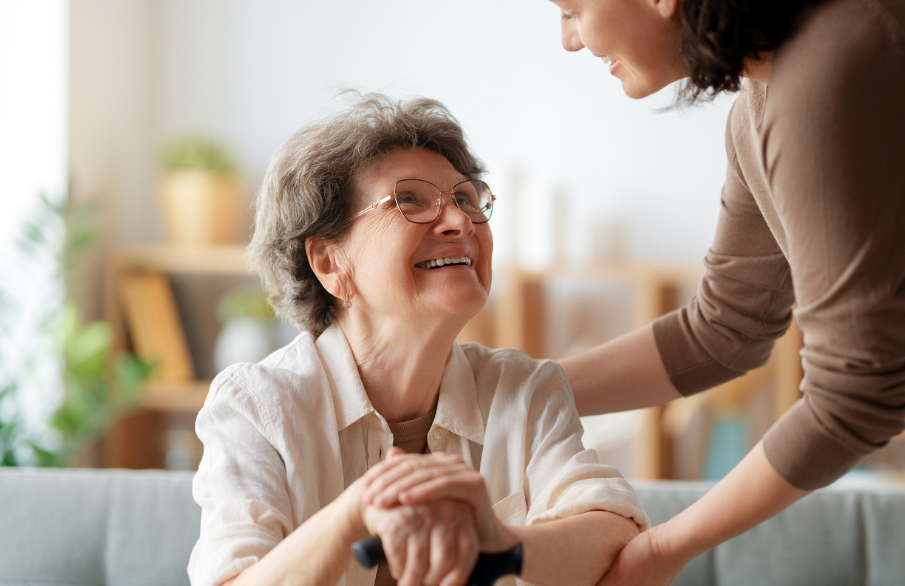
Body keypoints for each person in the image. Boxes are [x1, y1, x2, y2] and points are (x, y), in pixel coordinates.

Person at [540, 0, 905, 584]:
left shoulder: (831, 72)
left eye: (570, 9)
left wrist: (662, 551)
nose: (568, 40)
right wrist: (514, 387)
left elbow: (853, 397)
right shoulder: (763, 103)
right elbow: (724, 328)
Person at [188, 95, 648, 586]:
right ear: (329, 263)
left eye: (467, 199)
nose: (461, 222)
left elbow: (616, 536)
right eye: (410, 200)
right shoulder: (256, 407)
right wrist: (357, 511)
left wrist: (498, 541)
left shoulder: (527, 389)